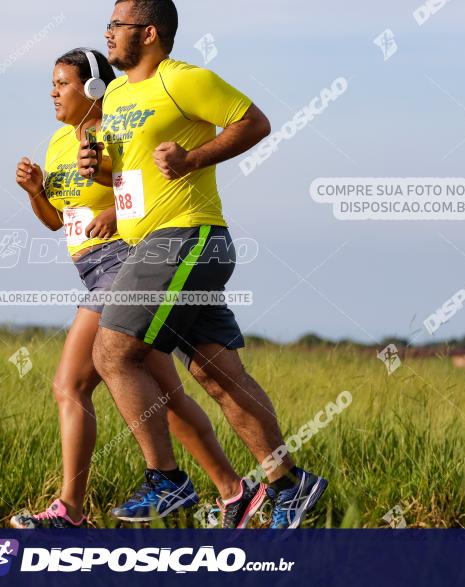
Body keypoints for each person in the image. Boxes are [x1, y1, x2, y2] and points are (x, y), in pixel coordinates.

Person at [78, 0, 328, 529]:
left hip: (187, 238)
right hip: (157, 245)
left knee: (114, 351)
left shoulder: (183, 80)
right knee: (217, 376)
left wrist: (192, 159)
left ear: (148, 33)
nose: (107, 32)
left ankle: (166, 481)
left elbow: (254, 123)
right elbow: (126, 174)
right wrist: (97, 167)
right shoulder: (118, 94)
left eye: (116, 24)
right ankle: (289, 484)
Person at [11, 48, 259, 528]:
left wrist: (115, 214)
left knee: (71, 384)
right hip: (91, 268)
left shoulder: (118, 131)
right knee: (164, 397)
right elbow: (57, 222)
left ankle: (71, 509)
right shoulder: (60, 143)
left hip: (123, 264)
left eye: (61, 83)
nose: (52, 92)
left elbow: (143, 190)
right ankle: (234, 492)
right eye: (52, 83)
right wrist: (36, 192)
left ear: (92, 89)